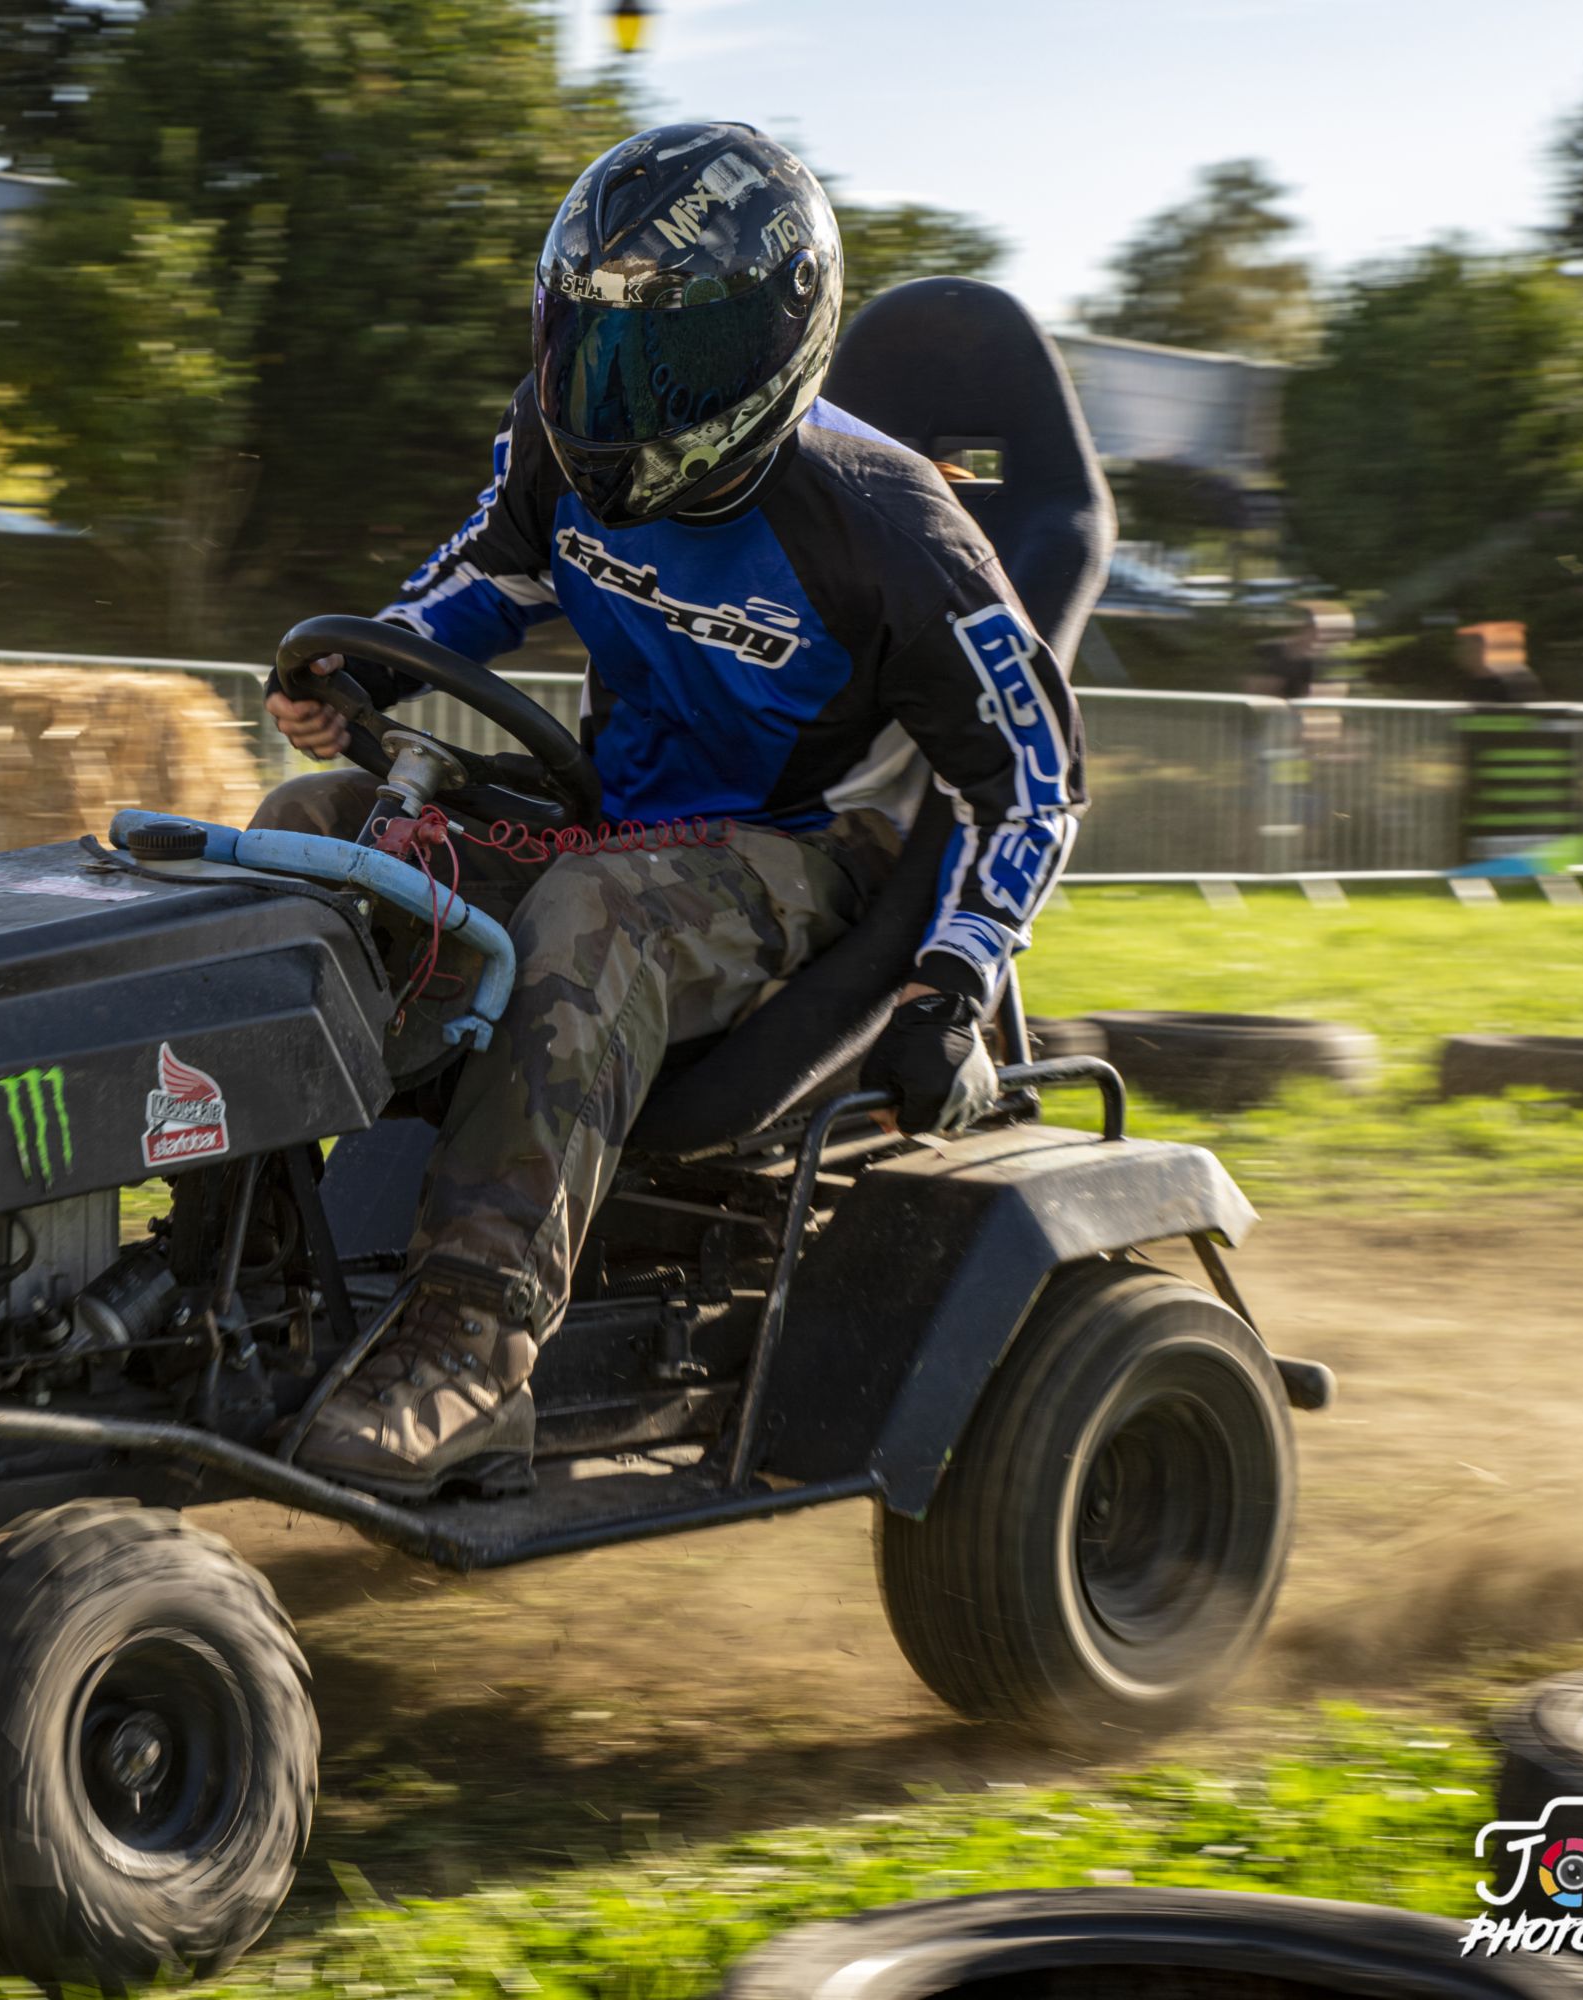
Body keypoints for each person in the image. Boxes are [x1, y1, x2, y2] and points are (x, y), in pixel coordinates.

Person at [258, 122, 1084, 1499]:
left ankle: (473, 1350)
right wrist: (360, 670)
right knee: (315, 825)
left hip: (805, 856)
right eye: (595, 344)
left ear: (768, 356)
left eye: (663, 360)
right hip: (616, 815)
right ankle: (249, 1254)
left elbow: (1032, 780)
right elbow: (478, 585)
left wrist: (956, 980)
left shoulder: (895, 531)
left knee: (599, 913)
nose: (615, 389)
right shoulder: (552, 443)